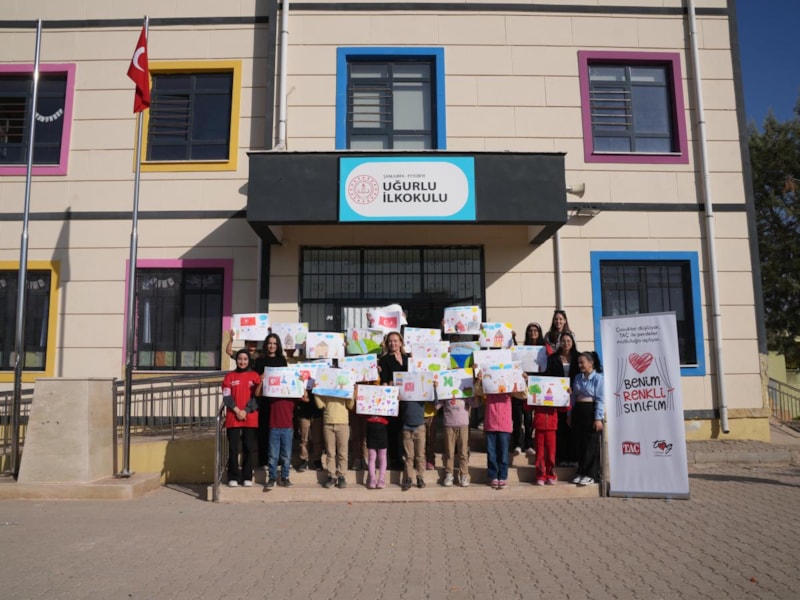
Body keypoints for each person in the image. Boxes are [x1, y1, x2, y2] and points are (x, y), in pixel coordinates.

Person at [221, 349, 262, 487]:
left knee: (248, 448)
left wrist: (246, 410)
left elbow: (257, 396)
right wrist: (237, 410)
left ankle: (247, 477)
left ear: (249, 360)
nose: (242, 362)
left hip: (250, 417)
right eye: (240, 359)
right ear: (236, 360)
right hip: (233, 417)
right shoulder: (229, 377)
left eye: (245, 359)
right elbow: (226, 396)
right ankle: (232, 477)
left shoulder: (255, 376)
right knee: (233, 449)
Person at [264, 367, 309, 490]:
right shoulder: (273, 393)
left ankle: (285, 477)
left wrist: (301, 383)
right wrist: (265, 379)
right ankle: (272, 478)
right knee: (273, 455)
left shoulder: (293, 394)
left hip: (287, 428)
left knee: (286, 455)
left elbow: (305, 397)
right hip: (274, 427)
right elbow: (261, 392)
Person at [569, 352, 605, 486]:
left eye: (582, 362)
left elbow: (600, 399)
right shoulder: (577, 377)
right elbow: (573, 397)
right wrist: (569, 414)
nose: (580, 365)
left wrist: (598, 418)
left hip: (590, 410)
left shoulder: (598, 378)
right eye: (578, 363)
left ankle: (591, 474)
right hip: (578, 411)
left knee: (591, 443)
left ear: (591, 363)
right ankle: (581, 471)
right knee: (580, 443)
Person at [545, 331, 580, 466]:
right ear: (560, 343)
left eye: (569, 341)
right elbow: (548, 375)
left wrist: (575, 389)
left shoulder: (578, 357)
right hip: (558, 397)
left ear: (573, 342)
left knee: (573, 427)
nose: (566, 343)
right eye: (563, 341)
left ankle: (574, 458)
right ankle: (562, 458)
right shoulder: (553, 358)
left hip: (574, 396)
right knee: (561, 427)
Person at [253, 334, 287, 469]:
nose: (272, 346)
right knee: (263, 430)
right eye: (269, 343)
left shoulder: (282, 360)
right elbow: (254, 380)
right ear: (266, 345)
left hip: (278, 401)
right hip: (264, 400)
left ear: (278, 345)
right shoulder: (260, 360)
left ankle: (277, 460)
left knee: (277, 430)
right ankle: (263, 460)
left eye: (274, 343)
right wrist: (260, 378)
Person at [435, 382, 477, 487]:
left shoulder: (464, 390)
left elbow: (475, 404)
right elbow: (436, 406)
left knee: (463, 452)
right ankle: (449, 474)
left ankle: (464, 475)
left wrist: (474, 390)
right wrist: (436, 389)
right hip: (449, 425)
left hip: (463, 425)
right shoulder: (445, 390)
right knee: (449, 452)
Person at [477, 371, 515, 490]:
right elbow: (477, 392)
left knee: (503, 453)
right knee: (491, 453)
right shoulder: (489, 389)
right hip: (491, 424)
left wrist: (521, 380)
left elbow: (523, 394)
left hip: (505, 425)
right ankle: (493, 476)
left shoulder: (509, 389)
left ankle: (502, 476)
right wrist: (479, 380)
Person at [377, 331, 409, 471]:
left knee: (407, 430)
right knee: (394, 430)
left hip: (409, 400)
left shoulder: (409, 358)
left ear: (401, 342)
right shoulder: (384, 360)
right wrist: (390, 389)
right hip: (393, 400)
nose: (393, 343)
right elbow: (384, 381)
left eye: (395, 340)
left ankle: (409, 457)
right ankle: (395, 459)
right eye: (390, 341)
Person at [512, 321, 544, 457]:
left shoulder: (543, 350)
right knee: (517, 417)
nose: (533, 333)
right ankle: (517, 444)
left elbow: (545, 368)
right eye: (530, 331)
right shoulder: (522, 348)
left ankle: (529, 444)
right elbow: (515, 359)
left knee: (529, 418)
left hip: (534, 387)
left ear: (539, 333)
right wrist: (512, 338)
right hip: (520, 387)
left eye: (535, 331)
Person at [315, 385, 355, 489]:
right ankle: (331, 476)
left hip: (343, 423)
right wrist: (316, 391)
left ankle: (341, 476)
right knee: (330, 452)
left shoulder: (345, 385)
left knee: (343, 452)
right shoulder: (326, 385)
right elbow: (320, 405)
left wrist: (352, 392)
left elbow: (350, 405)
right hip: (328, 423)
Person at [296, 387, 324, 472]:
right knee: (304, 439)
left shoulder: (318, 381)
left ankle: (317, 461)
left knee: (317, 440)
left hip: (316, 413)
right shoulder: (300, 381)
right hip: (304, 413)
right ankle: (304, 460)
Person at [365, 413, 389, 489]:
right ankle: (372, 479)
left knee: (382, 457)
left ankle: (381, 479)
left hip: (382, 429)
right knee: (371, 457)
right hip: (371, 429)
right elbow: (362, 412)